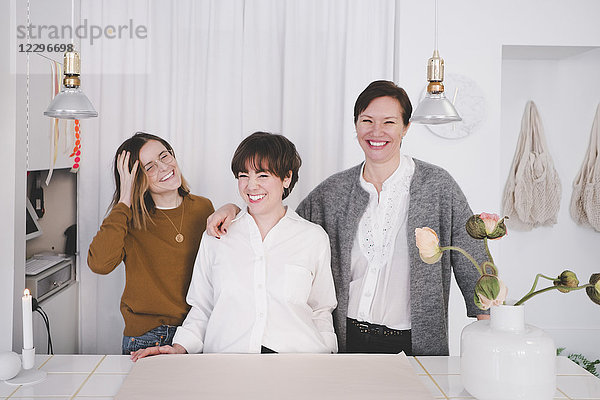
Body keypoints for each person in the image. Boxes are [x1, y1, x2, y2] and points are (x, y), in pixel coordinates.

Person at [205, 81, 489, 356]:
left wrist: (488, 322)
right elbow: (279, 228)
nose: (376, 131)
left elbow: (472, 255)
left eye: (389, 122)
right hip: (347, 340)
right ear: (356, 126)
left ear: (406, 128)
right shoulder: (332, 192)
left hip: (415, 342)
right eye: (367, 120)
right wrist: (234, 210)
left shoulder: (437, 185)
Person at [130, 132, 337, 360]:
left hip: (297, 364)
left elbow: (321, 309)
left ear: (286, 178)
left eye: (263, 175)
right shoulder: (216, 235)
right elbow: (202, 307)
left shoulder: (313, 237)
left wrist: (328, 355)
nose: (251, 186)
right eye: (243, 175)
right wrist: (180, 346)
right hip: (225, 365)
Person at [88, 132, 214, 355]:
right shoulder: (128, 219)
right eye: (149, 167)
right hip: (148, 337)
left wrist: (232, 209)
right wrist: (125, 199)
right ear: (137, 179)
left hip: (196, 332)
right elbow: (99, 264)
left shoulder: (203, 208)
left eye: (164, 156)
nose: (164, 167)